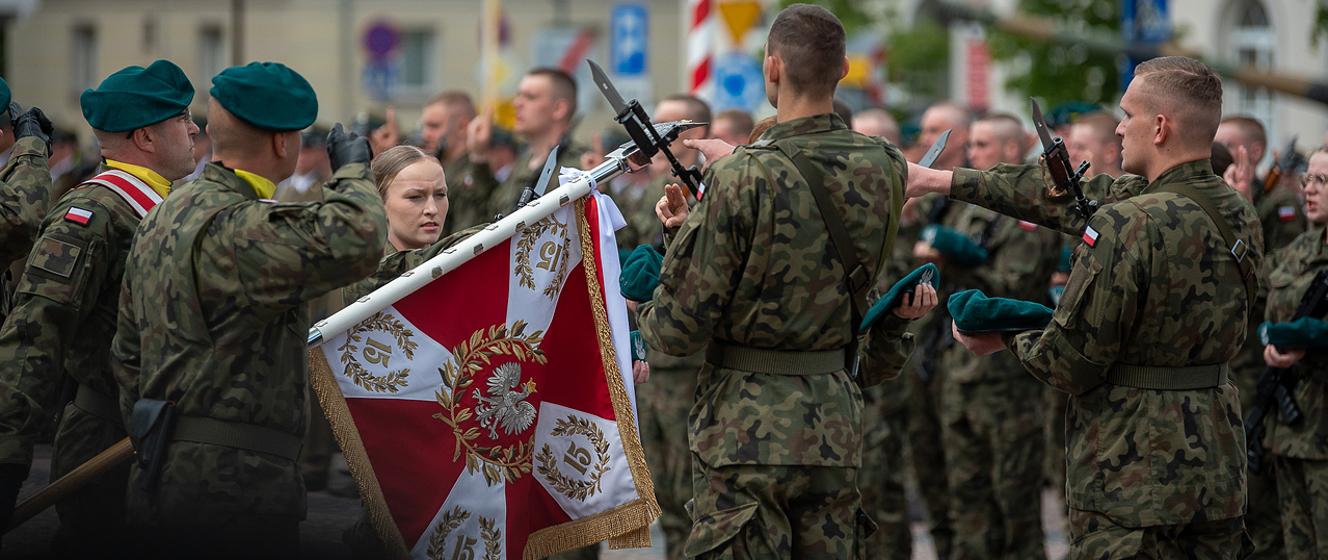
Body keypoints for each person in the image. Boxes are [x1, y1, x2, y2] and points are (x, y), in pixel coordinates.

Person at [907, 56, 1257, 558]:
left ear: (1159, 127)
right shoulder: (1235, 211)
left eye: (1128, 115)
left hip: (1134, 476)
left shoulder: (1130, 224)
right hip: (1216, 468)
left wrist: (1005, 335)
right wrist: (940, 180)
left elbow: (1070, 361)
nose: (1119, 127)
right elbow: (1067, 196)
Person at [640, 5, 934, 557]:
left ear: (771, 69)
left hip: (744, 429)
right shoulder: (884, 165)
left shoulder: (740, 173)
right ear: (844, 68)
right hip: (834, 421)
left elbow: (675, 331)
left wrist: (675, 254)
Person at [110, 61, 386, 556]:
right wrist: (352, 172)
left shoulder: (166, 212)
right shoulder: (239, 223)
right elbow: (360, 238)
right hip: (233, 488)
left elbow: (128, 351)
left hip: (161, 465)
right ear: (284, 143)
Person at [0, 59, 196, 555]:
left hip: (159, 437)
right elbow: (33, 335)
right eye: (182, 118)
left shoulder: (170, 205)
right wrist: (6, 458)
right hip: (107, 440)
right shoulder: (91, 215)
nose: (195, 128)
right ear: (147, 138)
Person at [924, 112, 1057, 559]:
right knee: (968, 505)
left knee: (1015, 508)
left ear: (1011, 151)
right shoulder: (967, 210)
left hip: (1006, 379)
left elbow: (1013, 289)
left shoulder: (1028, 218)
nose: (973, 153)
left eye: (983, 145)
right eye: (973, 145)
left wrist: (959, 258)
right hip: (959, 373)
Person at [1260, 145, 1328, 559]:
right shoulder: (1299, 250)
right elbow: (1257, 292)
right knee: (1297, 549)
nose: (1310, 190)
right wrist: (1270, 340)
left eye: (1323, 181)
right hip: (1290, 429)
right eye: (1308, 179)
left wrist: (1307, 337)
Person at [469, 68, 586, 220]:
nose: (517, 103)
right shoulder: (522, 162)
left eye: (530, 97)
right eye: (519, 95)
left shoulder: (578, 166)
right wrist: (479, 155)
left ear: (558, 109)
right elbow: (490, 214)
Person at [1216, 115, 1306, 253]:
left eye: (1228, 145)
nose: (1218, 151)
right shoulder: (1219, 191)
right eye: (1215, 145)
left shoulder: (1280, 201)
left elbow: (1285, 261)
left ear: (1255, 152)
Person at [1067, 112, 1124, 179]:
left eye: (1080, 147)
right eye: (1070, 147)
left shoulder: (1132, 187)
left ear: (1110, 153)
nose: (1071, 154)